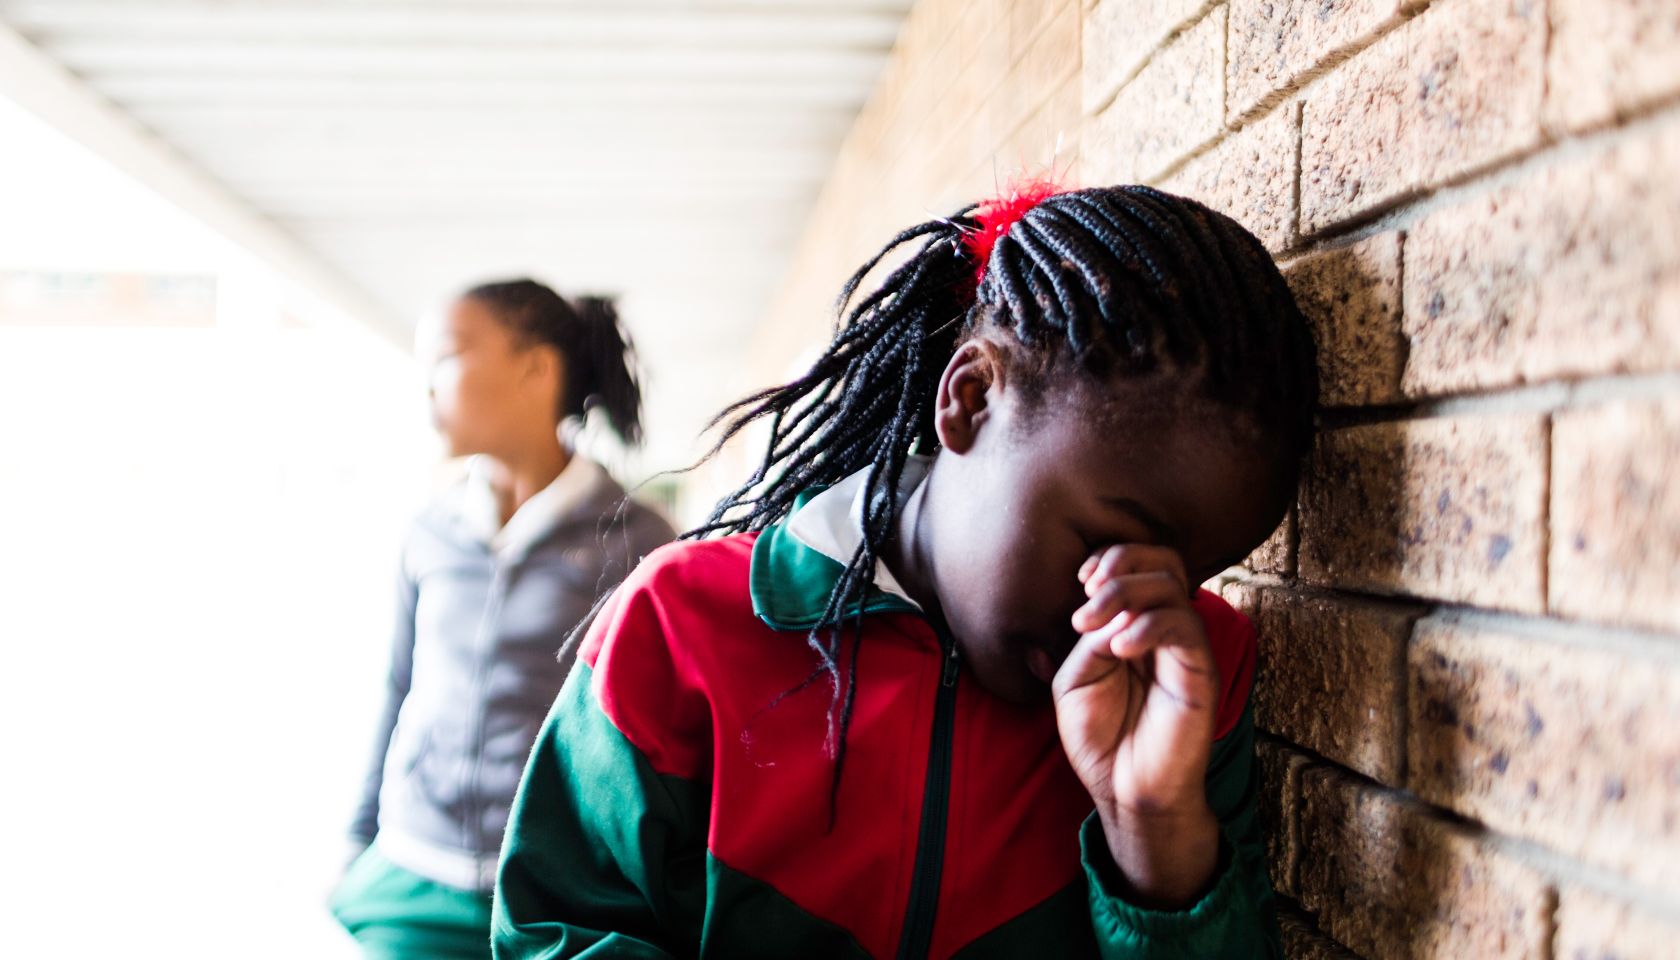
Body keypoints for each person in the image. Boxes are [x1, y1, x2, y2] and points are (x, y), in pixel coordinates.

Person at [493, 184, 1318, 958]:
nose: (1127, 616)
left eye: (1193, 576)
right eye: (1109, 542)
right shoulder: (684, 623)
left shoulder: (1187, 683)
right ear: (968, 400)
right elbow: (555, 928)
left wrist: (1154, 829)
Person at [333, 279, 675, 959]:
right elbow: (398, 688)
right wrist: (356, 838)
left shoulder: (640, 539)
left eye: (448, 357)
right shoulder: (429, 530)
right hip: (414, 874)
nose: (427, 385)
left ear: (536, 369)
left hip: (557, 895)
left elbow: (669, 736)